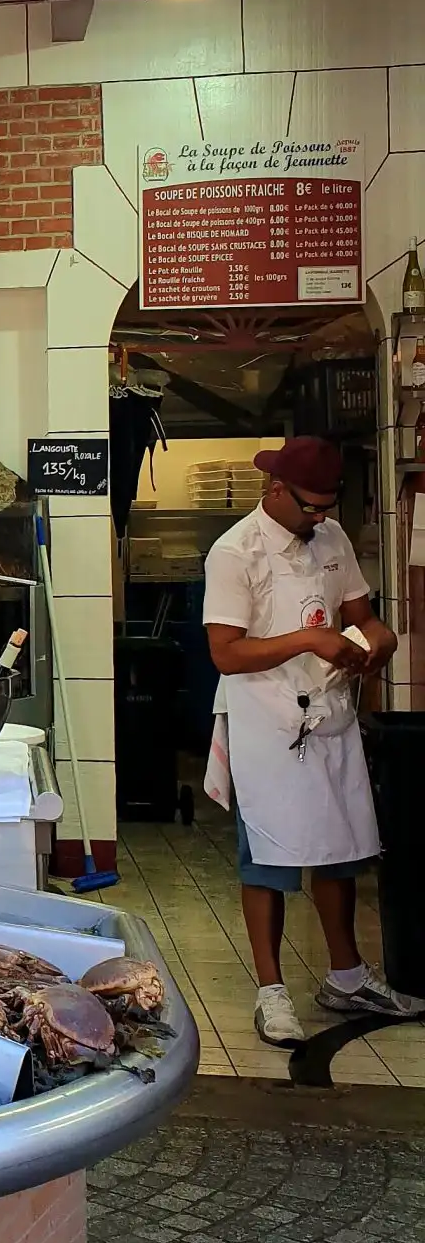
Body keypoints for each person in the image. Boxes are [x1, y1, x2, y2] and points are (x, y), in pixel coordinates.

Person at [201, 438, 415, 1048]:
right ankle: (271, 993)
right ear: (275, 492)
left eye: (327, 507)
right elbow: (226, 651)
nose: (319, 517)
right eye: (310, 507)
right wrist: (308, 641)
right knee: (267, 858)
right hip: (264, 722)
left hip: (329, 715)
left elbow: (363, 615)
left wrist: (379, 642)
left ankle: (345, 975)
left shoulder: (333, 539)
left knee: (338, 846)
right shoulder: (235, 552)